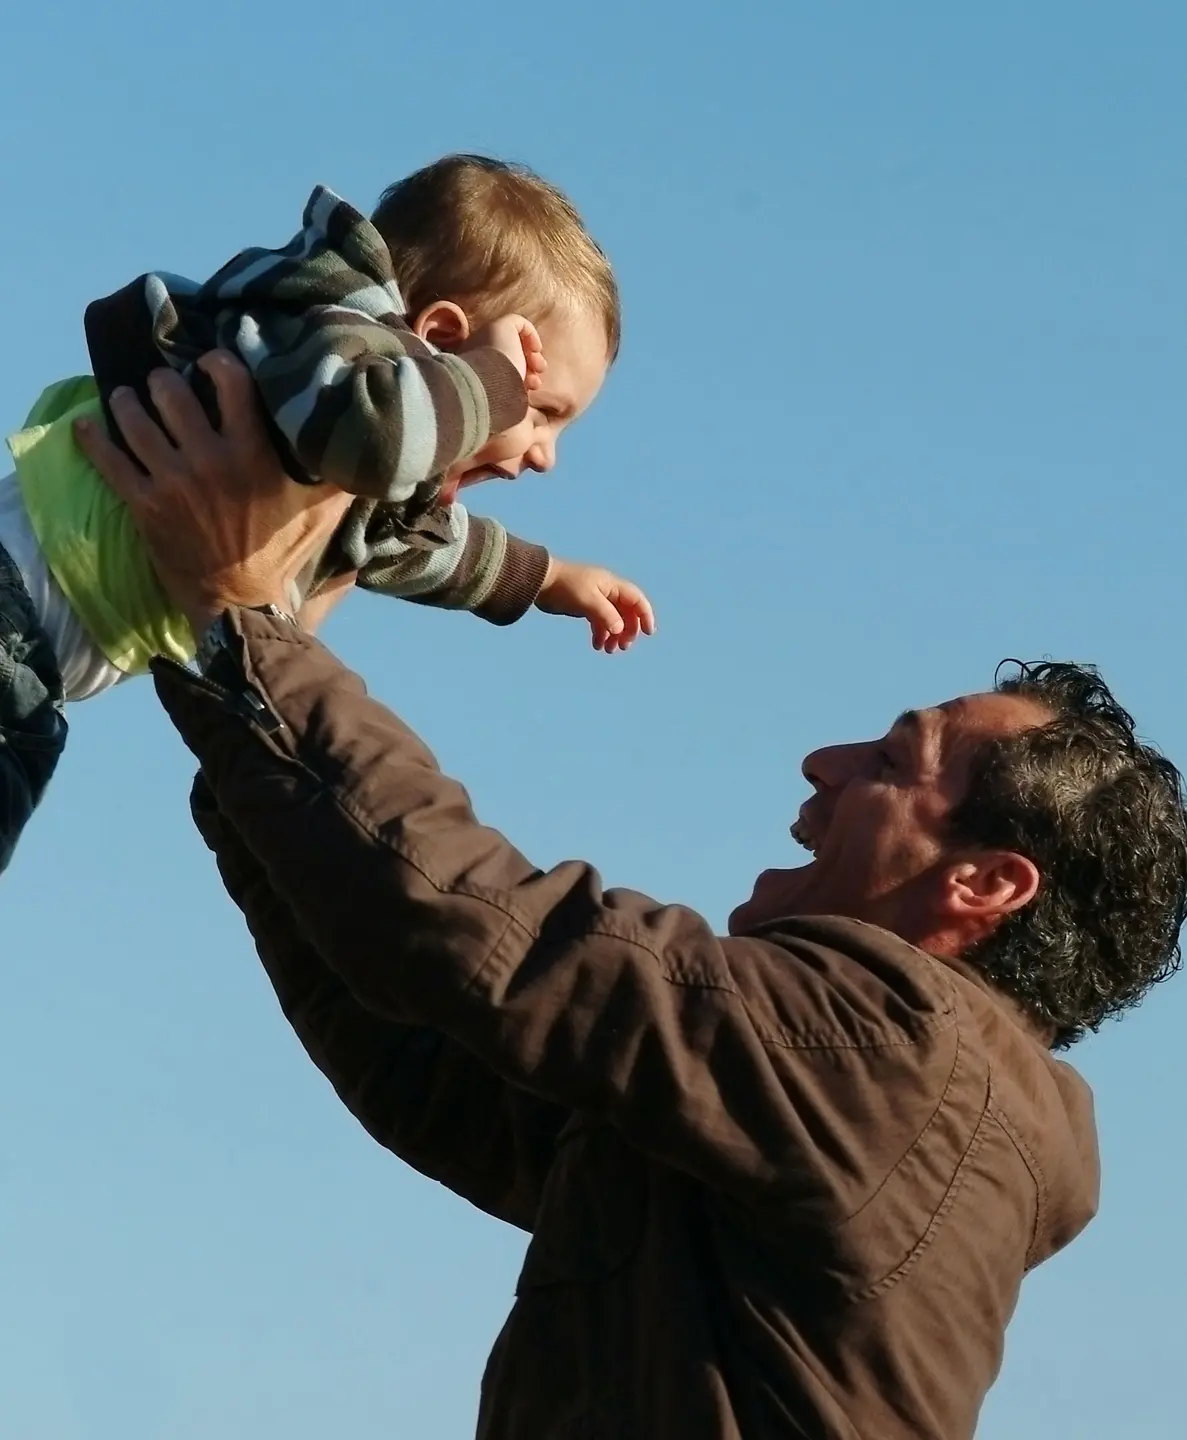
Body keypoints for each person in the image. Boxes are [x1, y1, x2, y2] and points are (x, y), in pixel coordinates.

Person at [76, 363, 1187, 1439]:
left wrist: (238, 625)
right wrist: (240, 684)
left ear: (984, 884)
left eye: (893, 762)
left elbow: (487, 930)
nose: (822, 762)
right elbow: (436, 1055)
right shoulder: (841, 1109)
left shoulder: (887, 1052)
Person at [0, 155, 653, 873]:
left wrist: (548, 578)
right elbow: (380, 441)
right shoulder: (330, 356)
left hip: (34, 655)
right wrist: (495, 378)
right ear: (438, 340)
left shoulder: (349, 453)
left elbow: (420, 550)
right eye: (541, 412)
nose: (543, 455)